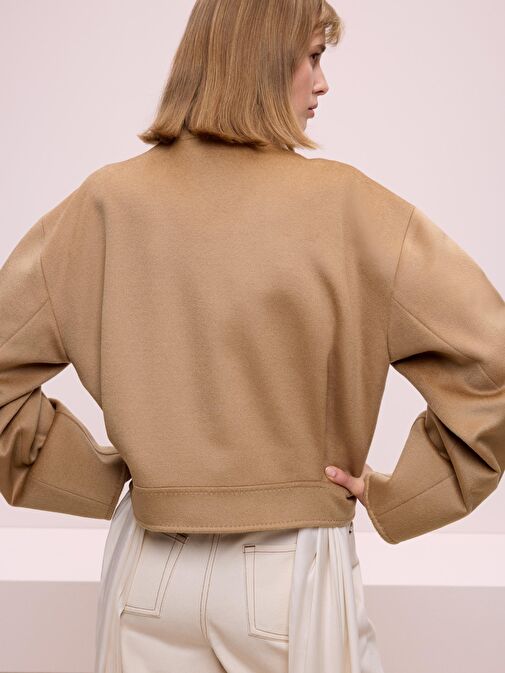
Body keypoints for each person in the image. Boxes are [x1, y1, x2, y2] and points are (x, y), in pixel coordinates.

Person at [1, 1, 503, 672]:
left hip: (146, 568)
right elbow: (490, 361)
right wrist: (407, 493)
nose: (322, 83)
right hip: (288, 568)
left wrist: (102, 478)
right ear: (262, 60)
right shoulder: (352, 208)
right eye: (313, 57)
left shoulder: (103, 205)